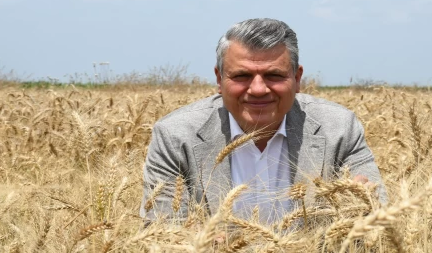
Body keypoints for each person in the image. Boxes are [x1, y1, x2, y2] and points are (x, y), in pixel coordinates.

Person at [140, 18, 388, 224]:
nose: (258, 89)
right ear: (219, 79)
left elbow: (378, 214)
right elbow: (162, 232)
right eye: (242, 76)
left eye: (273, 75)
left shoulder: (340, 128)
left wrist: (364, 204)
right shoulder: (174, 136)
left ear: (297, 77)